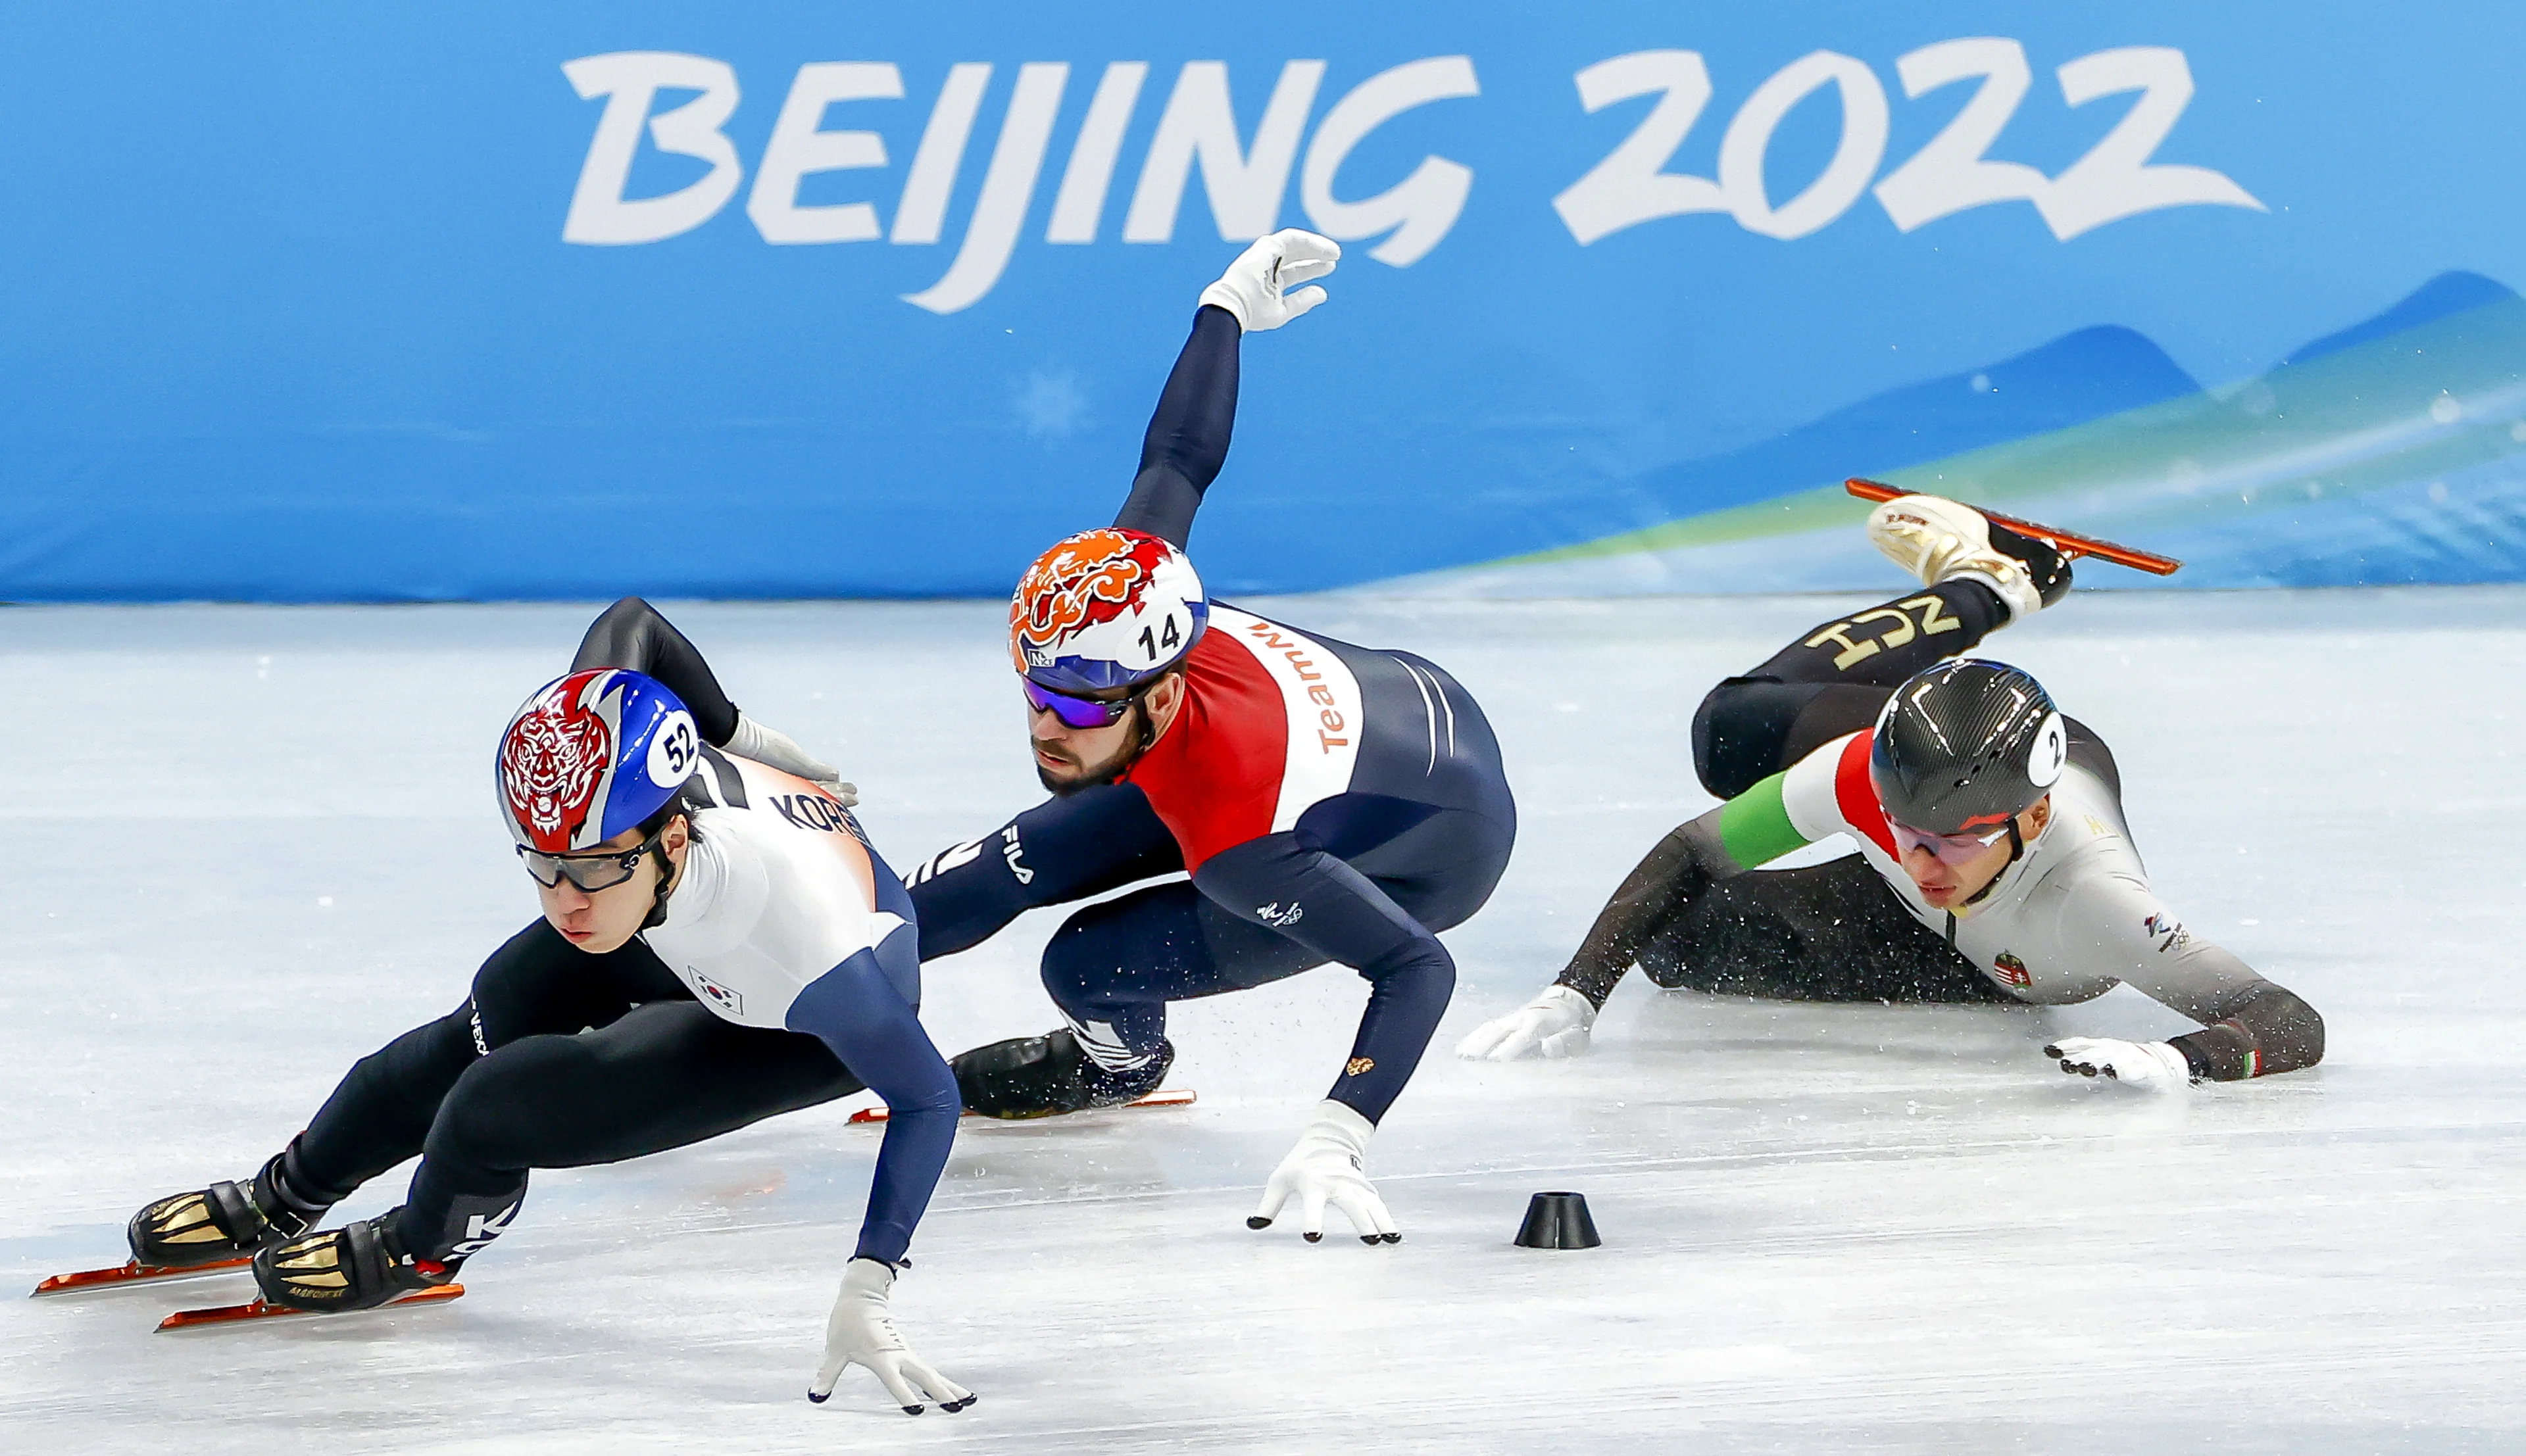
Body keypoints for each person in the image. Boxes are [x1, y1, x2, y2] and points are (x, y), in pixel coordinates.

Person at [125, 599, 972, 1416]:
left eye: (593, 866)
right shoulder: (600, 755)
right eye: (542, 862)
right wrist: (737, 733)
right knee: (487, 1017)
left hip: (789, 1022)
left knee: (495, 1109)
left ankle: (418, 1247)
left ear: (670, 837)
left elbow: (929, 1095)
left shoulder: (809, 952)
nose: (565, 898)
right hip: (673, 914)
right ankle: (289, 1190)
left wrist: (872, 1279)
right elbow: (632, 624)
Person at [903, 230, 1518, 1245]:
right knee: (968, 886)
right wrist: (1223, 310)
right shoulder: (1133, 587)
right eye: (1037, 691)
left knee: (1085, 964)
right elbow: (1179, 457)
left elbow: (1418, 969)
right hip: (1380, 718)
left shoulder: (1241, 837)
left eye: (1086, 705)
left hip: (1423, 848)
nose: (1051, 726)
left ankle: (1121, 1064)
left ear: (1158, 689)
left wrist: (1340, 1130)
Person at [1457, 495, 2324, 1086]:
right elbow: (1694, 846)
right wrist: (1574, 991)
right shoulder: (1863, 780)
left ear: (2031, 817)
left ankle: (1988, 588)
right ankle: (1986, 588)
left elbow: (2283, 1016)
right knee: (1732, 735)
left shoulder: (2095, 897)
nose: (1920, 859)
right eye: (1902, 830)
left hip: (1992, 969)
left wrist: (2187, 1059)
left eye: (1953, 839)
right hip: (1937, 824)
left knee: (1684, 944)